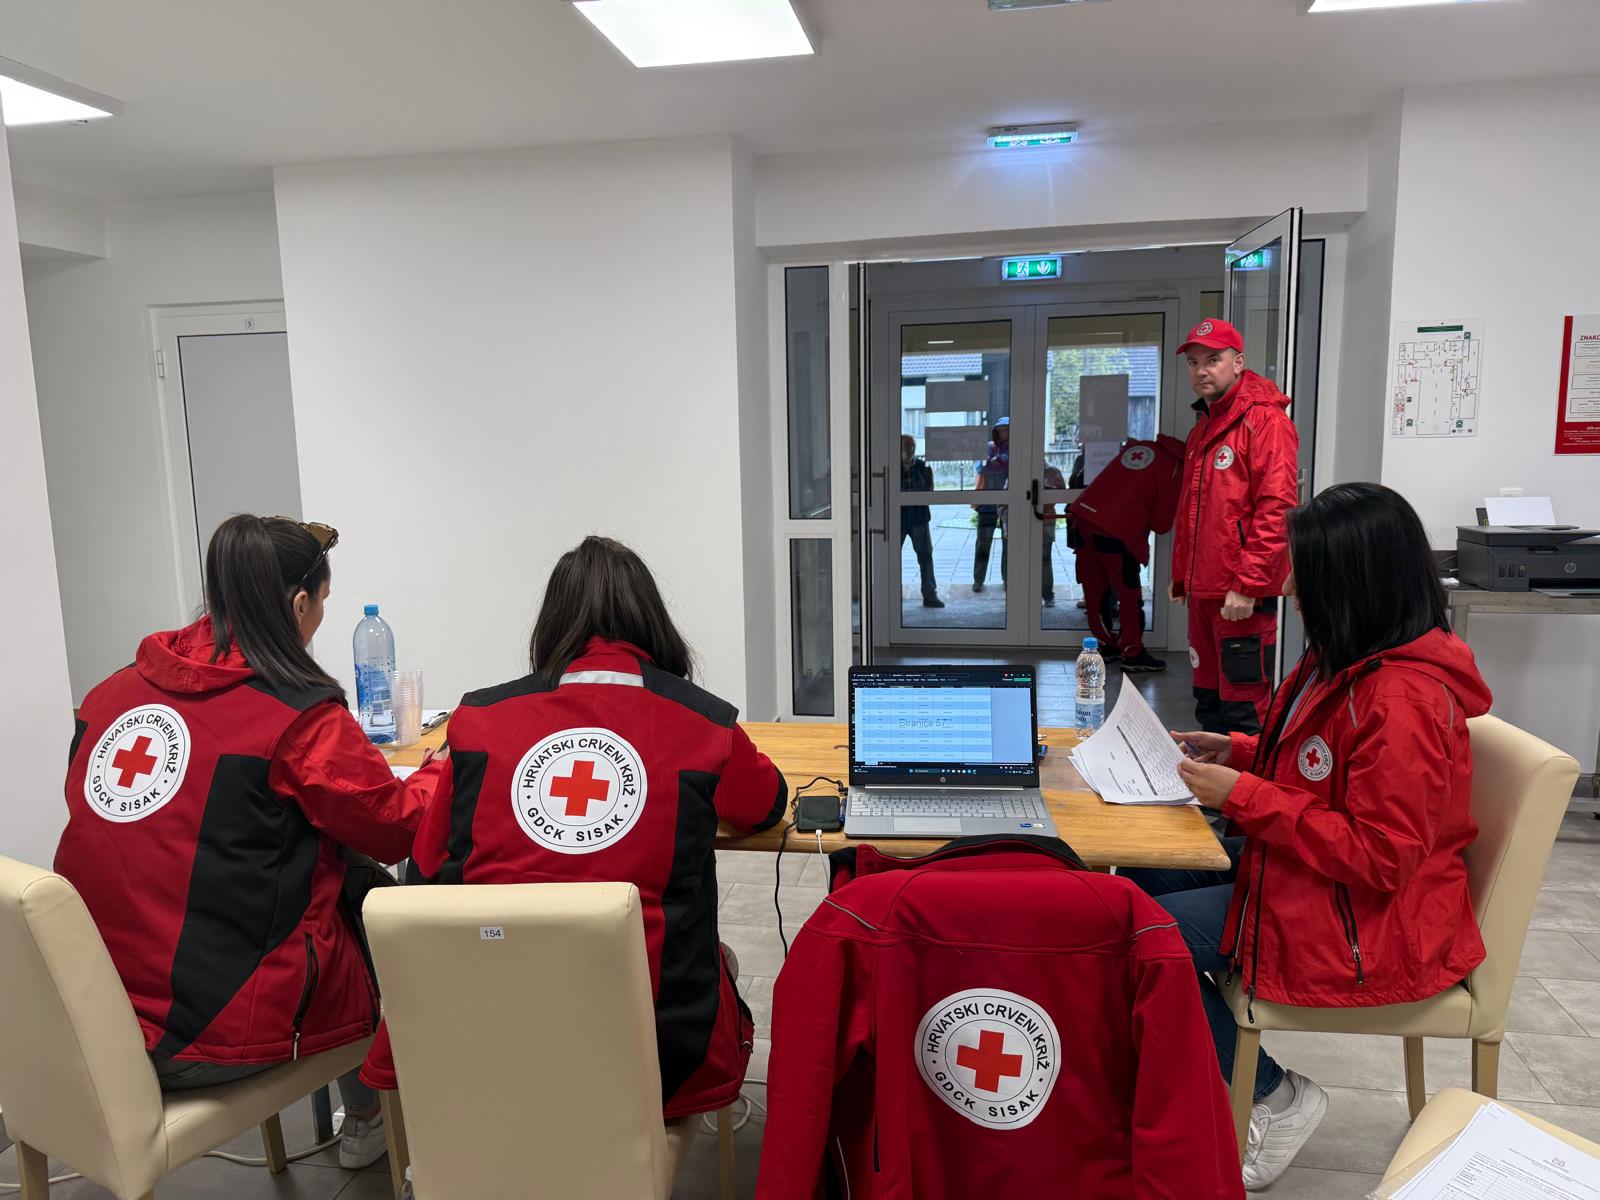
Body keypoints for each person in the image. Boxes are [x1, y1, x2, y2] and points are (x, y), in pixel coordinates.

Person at [1126, 483, 1491, 1190]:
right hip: (1310, 880)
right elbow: (1322, 770)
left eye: (1302, 571)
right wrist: (1239, 753)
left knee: (1142, 940)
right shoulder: (1343, 662)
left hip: (1369, 922)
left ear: (1351, 582)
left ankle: (1273, 1094)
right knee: (1139, 878)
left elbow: (1382, 857)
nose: (1287, 587)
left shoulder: (1403, 700)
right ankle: (1183, 1077)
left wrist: (1245, 795)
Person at [360, 536, 789, 1120]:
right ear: (651, 618)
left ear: (553, 620)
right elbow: (766, 805)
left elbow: (430, 869)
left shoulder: (478, 719)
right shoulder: (702, 720)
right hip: (659, 1050)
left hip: (488, 1037)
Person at [56, 515, 430, 1170]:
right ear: (299, 604)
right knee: (376, 898)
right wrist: (440, 770)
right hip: (210, 1035)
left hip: (90, 1023)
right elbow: (396, 826)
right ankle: (376, 1120)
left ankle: (367, 1118)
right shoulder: (297, 715)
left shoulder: (109, 695)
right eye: (322, 605)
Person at [1169, 318, 1300, 735]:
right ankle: (1209, 781)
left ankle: (1246, 782)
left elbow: (1277, 509)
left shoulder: (1265, 421)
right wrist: (1182, 576)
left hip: (1239, 596)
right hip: (1204, 594)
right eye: (1193, 363)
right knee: (1207, 704)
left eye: (1213, 360)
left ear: (1238, 362)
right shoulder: (1203, 427)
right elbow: (1195, 509)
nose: (1201, 371)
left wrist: (1248, 584)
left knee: (1244, 710)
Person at [1069, 435, 1186, 672]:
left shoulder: (1139, 448)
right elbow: (1161, 523)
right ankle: (1132, 652)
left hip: (1083, 520)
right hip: (1117, 531)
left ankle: (1106, 644)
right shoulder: (1176, 467)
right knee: (1128, 594)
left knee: (1095, 591)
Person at [900, 434, 943, 608]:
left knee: (925, 557)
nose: (909, 450)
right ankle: (889, 594)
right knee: (890, 557)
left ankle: (930, 595)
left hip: (918, 517)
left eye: (911, 446)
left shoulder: (923, 467)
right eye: (905, 446)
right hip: (897, 518)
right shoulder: (891, 467)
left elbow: (929, 491)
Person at [971, 417, 1009, 592]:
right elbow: (980, 468)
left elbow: (1010, 465)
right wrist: (999, 462)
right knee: (983, 543)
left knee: (1009, 544)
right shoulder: (987, 446)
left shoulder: (1016, 448)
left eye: (1007, 429)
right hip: (987, 503)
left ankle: (1008, 579)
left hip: (1009, 503)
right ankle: (978, 580)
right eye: (1001, 430)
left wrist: (993, 461)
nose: (1004, 433)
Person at [1039, 461, 1065, 608]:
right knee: (1040, 559)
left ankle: (1047, 595)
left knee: (1045, 559)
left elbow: (1063, 493)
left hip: (1046, 519)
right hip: (1030, 520)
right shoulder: (1019, 471)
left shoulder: (1053, 472)